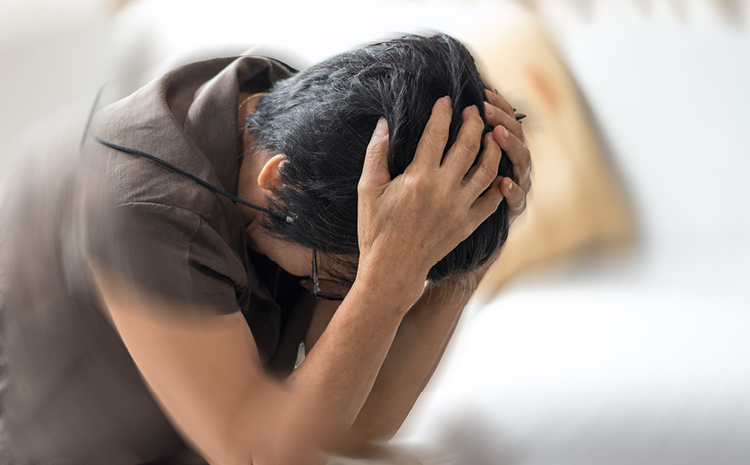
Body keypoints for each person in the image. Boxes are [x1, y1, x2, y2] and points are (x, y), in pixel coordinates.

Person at [0, 34, 531, 464]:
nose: (347, 297)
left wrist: (477, 222)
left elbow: (357, 423)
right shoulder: (148, 210)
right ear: (280, 183)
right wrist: (385, 279)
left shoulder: (298, 123)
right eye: (342, 276)